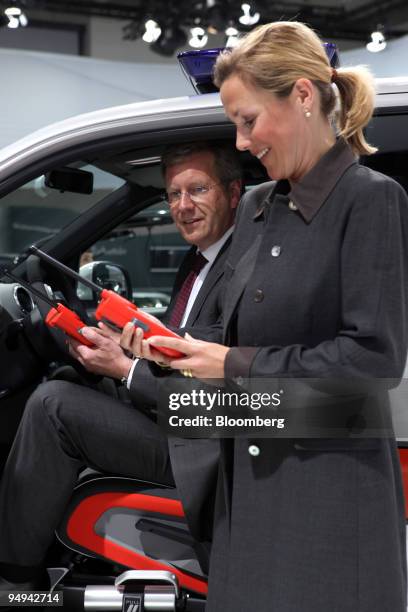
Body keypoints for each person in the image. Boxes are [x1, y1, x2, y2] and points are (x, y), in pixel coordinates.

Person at [129, 22, 408, 612]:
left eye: (248, 120)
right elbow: (232, 331)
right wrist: (169, 349)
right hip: (248, 489)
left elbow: (373, 358)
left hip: (329, 505)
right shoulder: (257, 205)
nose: (240, 141)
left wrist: (231, 363)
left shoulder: (370, 199)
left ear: (303, 96)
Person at [0, 140, 242, 591]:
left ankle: (14, 578)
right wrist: (120, 352)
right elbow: (174, 356)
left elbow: (212, 390)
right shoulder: (199, 260)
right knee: (73, 375)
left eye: (197, 190)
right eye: (173, 194)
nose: (182, 206)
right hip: (173, 416)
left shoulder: (240, 271)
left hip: (201, 447)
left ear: (232, 193)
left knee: (53, 404)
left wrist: (126, 369)